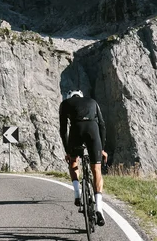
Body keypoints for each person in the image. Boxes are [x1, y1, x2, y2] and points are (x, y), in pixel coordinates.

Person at [59, 89, 108, 227]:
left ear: (70, 97)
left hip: (77, 130)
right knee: (96, 169)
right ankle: (99, 208)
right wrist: (102, 149)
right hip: (93, 130)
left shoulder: (65, 103)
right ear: (81, 96)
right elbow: (102, 125)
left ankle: (77, 194)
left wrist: (68, 151)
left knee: (74, 161)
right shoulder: (92, 102)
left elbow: (63, 130)